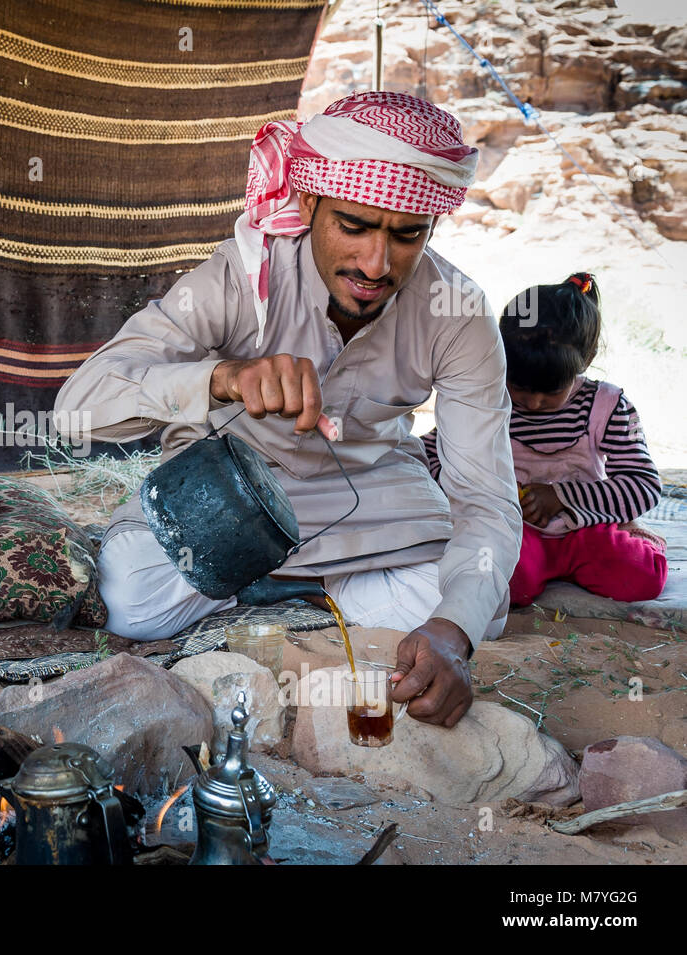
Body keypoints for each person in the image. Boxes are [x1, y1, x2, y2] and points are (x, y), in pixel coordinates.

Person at [55, 91, 523, 728]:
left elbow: (485, 497)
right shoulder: (241, 278)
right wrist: (222, 378)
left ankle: (274, 585)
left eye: (406, 235)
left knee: (477, 608)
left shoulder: (458, 313)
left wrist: (449, 632)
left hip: (372, 498)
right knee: (128, 598)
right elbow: (78, 409)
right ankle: (319, 585)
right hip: (228, 492)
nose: (375, 264)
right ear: (308, 204)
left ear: (431, 229)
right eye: (353, 226)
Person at [423, 273, 666, 606]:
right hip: (517, 532)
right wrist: (471, 491)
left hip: (587, 529)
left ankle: (634, 542)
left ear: (587, 359)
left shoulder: (608, 406)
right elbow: (430, 451)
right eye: (520, 387)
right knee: (505, 582)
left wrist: (561, 497)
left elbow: (643, 485)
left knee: (642, 576)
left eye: (551, 391)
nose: (534, 403)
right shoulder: (489, 400)